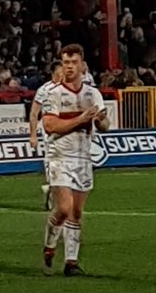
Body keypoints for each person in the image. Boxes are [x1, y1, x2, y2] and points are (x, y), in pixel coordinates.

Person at [41, 44, 108, 276]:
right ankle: (50, 245)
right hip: (59, 156)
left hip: (83, 157)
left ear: (82, 65)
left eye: (73, 62)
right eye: (65, 63)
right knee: (63, 208)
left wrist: (99, 121)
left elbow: (105, 125)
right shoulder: (53, 94)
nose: (69, 67)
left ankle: (71, 262)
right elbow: (50, 126)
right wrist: (81, 118)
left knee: (77, 212)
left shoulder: (93, 94)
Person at [29, 59, 63, 210]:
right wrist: (33, 135)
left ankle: (54, 188)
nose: (61, 76)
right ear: (53, 73)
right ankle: (52, 187)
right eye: (59, 73)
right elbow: (34, 113)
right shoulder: (44, 90)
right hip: (50, 129)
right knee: (52, 158)